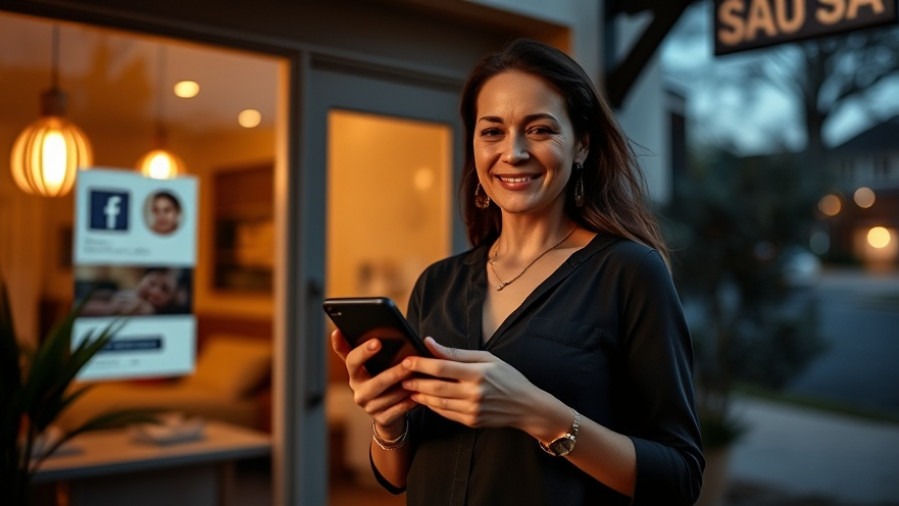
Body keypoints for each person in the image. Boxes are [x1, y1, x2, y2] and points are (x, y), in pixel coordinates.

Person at [330, 38, 703, 505]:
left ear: (582, 145)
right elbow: (397, 476)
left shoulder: (630, 273)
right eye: (492, 132)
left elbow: (679, 478)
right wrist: (388, 423)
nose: (514, 152)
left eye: (540, 129)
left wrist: (537, 412)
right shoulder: (437, 283)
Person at [80, 267, 190, 316]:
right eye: (151, 283)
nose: (154, 291)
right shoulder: (117, 288)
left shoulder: (143, 310)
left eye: (164, 290)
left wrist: (111, 309)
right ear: (143, 278)